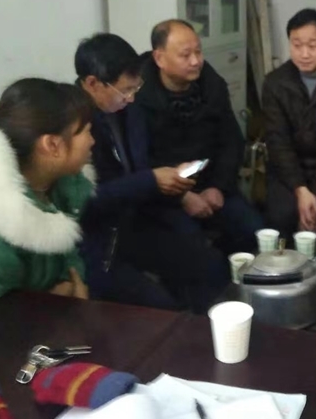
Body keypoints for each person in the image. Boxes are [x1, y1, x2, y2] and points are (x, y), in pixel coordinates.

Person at [76, 33, 229, 313]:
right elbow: (87, 200)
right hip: (104, 236)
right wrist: (151, 180)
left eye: (136, 87)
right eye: (125, 90)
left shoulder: (129, 109)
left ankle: (202, 325)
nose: (132, 97)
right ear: (92, 84)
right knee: (161, 306)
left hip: (140, 214)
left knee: (208, 261)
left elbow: (144, 162)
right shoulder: (75, 128)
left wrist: (171, 179)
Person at [0, 79, 94, 320]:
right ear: (52, 145)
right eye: (86, 131)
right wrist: (53, 305)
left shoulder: (58, 187)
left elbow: (70, 255)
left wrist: (70, 284)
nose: (92, 141)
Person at [136, 19, 262, 253]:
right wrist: (182, 197)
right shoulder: (138, 98)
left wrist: (218, 187)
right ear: (160, 58)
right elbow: (141, 163)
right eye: (185, 55)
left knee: (255, 231)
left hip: (212, 185)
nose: (196, 61)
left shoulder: (212, 86)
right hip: (165, 196)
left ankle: (228, 270)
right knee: (192, 247)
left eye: (198, 52)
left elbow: (231, 141)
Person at [262, 9, 316, 248]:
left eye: (312, 45)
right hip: (288, 172)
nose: (304, 53)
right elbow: (277, 141)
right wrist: (300, 189)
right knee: (280, 217)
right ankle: (285, 267)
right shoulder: (275, 83)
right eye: (296, 45)